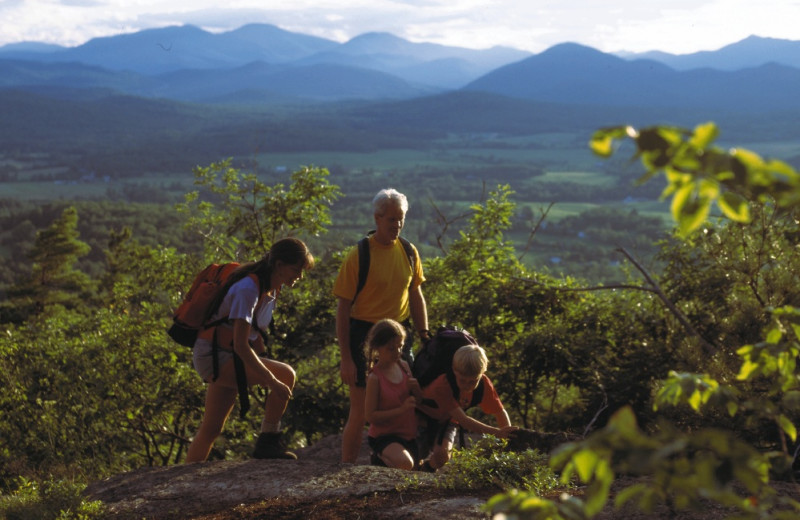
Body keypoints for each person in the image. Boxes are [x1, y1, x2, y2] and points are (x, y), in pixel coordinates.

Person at [185, 238, 314, 463]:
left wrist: (262, 360)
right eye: (296, 270)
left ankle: (181, 485)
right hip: (215, 356)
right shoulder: (248, 288)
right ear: (279, 265)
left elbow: (252, 335)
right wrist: (271, 380)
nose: (299, 276)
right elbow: (241, 345)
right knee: (286, 375)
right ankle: (268, 441)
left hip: (223, 354)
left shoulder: (270, 288)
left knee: (211, 429)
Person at [333, 188, 430, 464]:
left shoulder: (409, 252)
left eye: (401, 219)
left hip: (400, 334)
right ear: (377, 218)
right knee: (360, 409)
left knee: (408, 401)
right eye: (391, 220)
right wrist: (346, 359)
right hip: (364, 336)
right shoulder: (359, 255)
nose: (397, 225)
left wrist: (424, 334)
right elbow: (343, 308)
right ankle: (347, 468)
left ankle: (405, 460)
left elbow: (415, 294)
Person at [416, 344, 518, 471]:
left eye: (473, 381)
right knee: (414, 456)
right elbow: (464, 420)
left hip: (448, 420)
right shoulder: (442, 385)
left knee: (442, 456)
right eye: (462, 380)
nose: (467, 386)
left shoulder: (484, 384)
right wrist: (497, 433)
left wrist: (507, 440)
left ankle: (424, 469)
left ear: (482, 374)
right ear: (454, 370)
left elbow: (500, 412)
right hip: (421, 416)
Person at [364, 319, 424, 470]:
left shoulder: (403, 366)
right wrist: (401, 410)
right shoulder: (374, 378)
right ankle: (379, 458)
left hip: (409, 434)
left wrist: (416, 389)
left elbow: (418, 400)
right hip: (385, 437)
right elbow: (370, 416)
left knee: (418, 474)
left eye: (400, 347)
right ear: (378, 348)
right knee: (405, 464)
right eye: (391, 348)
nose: (397, 352)